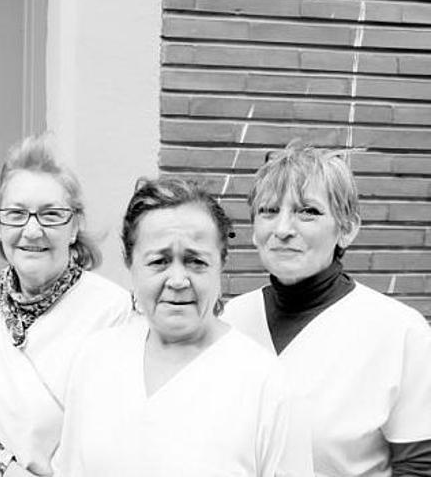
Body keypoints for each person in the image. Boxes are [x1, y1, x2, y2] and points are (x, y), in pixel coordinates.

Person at [53, 178, 312, 476]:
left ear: (221, 265)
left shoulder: (266, 384)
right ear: (130, 264)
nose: (177, 280)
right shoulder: (95, 360)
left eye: (196, 261)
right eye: (159, 261)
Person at [223, 141, 431, 476]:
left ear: (347, 229)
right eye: (269, 211)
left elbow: (420, 466)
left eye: (308, 211)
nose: (283, 229)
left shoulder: (399, 332)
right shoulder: (230, 321)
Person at [0, 134, 133, 477]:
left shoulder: (113, 310)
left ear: (74, 226)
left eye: (51, 215)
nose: (32, 231)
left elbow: (119, 426)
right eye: (16, 214)